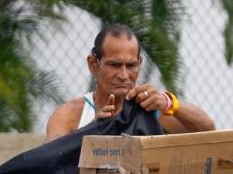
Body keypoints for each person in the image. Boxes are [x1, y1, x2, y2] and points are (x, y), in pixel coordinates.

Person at [45, 23, 215, 142]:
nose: (124, 75)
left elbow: (209, 132)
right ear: (93, 64)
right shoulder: (72, 114)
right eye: (114, 65)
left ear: (140, 64)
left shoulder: (150, 110)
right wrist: (92, 129)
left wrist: (168, 102)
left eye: (132, 65)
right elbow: (49, 160)